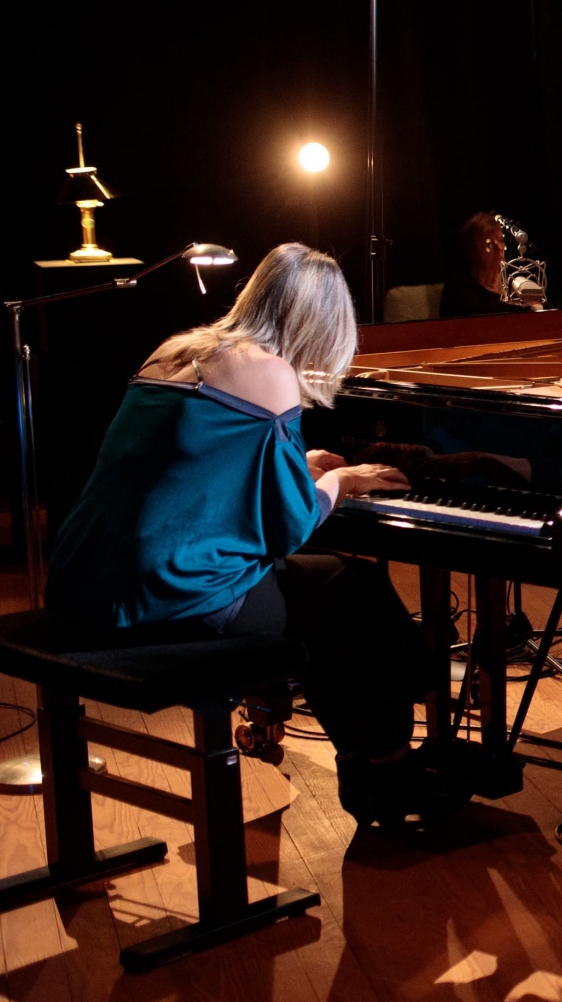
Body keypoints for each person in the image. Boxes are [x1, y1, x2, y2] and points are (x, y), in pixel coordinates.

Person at [45, 243, 460, 827]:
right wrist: (340, 480)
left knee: (333, 596)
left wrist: (301, 464)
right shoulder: (270, 370)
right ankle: (389, 772)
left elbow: (197, 468)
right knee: (349, 592)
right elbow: (290, 524)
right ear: (322, 323)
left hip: (82, 582)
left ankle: (378, 768)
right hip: (165, 602)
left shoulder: (177, 350)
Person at [441, 211, 516, 316]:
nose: (499, 248)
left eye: (500, 240)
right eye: (489, 244)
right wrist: (526, 306)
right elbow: (480, 315)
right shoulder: (458, 288)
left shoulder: (513, 283)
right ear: (473, 249)